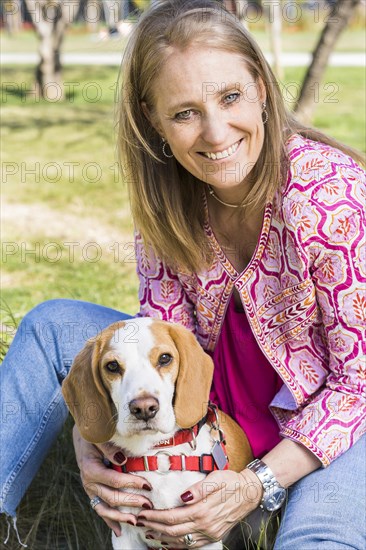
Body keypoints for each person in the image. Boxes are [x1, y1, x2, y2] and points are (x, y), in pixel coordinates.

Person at [1, 0, 365, 548]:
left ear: (263, 89)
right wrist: (91, 435)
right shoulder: (167, 203)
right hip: (212, 400)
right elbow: (161, 339)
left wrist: (254, 485)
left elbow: (357, 384)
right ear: (154, 119)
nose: (216, 133)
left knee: (319, 536)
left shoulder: (326, 195)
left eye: (230, 96)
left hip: (334, 419)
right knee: (52, 326)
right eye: (185, 112)